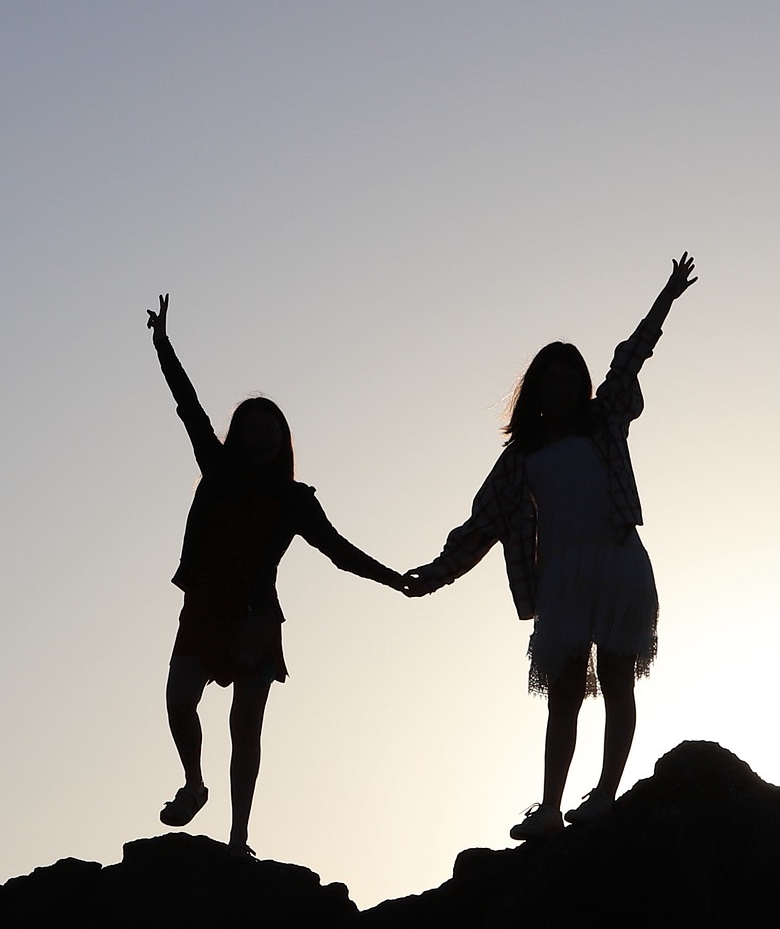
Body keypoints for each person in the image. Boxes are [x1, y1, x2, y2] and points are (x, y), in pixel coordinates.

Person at [405, 253, 698, 840]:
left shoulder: (604, 421)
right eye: (551, 379)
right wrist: (435, 573)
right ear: (535, 388)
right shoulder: (521, 458)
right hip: (561, 576)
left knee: (617, 679)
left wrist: (666, 298)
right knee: (562, 695)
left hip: (616, 561)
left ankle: (607, 794)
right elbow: (480, 526)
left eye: (571, 378)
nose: (562, 387)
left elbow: (630, 355)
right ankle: (548, 808)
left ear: (583, 385)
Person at [147, 294, 406, 855]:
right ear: (238, 436)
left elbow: (340, 552)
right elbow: (189, 407)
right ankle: (194, 784)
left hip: (255, 619)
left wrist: (394, 578)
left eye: (272, 431)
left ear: (283, 441)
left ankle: (239, 837)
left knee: (246, 728)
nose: (261, 438)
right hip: (204, 609)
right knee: (177, 699)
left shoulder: (294, 500)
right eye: (251, 429)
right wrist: (163, 345)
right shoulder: (216, 470)